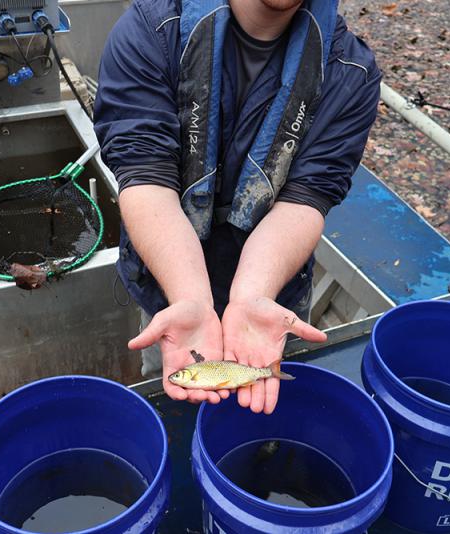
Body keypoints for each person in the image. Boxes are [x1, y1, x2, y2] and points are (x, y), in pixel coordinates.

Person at [94, 0, 381, 414]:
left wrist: (253, 294)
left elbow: (306, 199)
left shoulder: (350, 72)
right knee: (171, 409)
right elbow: (145, 178)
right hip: (174, 302)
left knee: (270, 422)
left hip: (271, 303)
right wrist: (190, 297)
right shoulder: (152, 31)